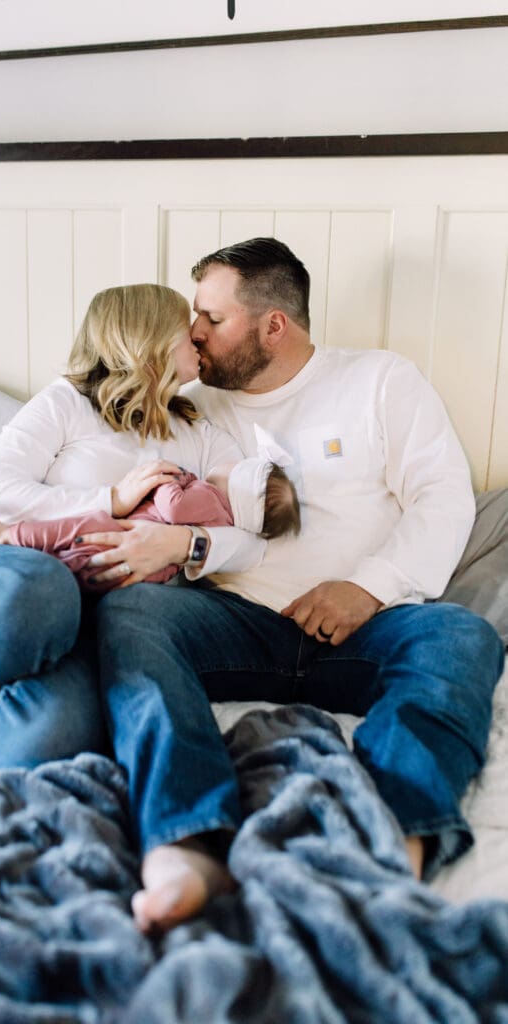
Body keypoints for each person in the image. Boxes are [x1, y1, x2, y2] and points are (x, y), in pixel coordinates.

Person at [83, 238, 505, 934]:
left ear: (273, 325)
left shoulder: (377, 381)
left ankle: (391, 843)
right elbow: (103, 455)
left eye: (210, 319)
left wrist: (365, 588)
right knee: (131, 616)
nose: (192, 333)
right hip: (234, 620)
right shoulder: (190, 404)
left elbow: (443, 498)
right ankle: (186, 839)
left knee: (461, 635)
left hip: (369, 627)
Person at [0, 283, 264, 795]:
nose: (196, 336)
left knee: (51, 735)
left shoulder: (199, 433)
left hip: (91, 621)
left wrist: (184, 545)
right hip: (4, 574)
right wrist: (111, 499)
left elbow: (251, 534)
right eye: (184, 328)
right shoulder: (68, 403)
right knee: (43, 586)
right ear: (148, 342)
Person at [0, 448, 300, 594]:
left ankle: (12, 535)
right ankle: (43, 565)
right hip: (146, 571)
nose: (231, 461)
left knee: (81, 527)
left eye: (239, 465)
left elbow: (172, 509)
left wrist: (166, 478)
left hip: (127, 537)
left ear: (237, 487)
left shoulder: (211, 499)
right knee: (80, 563)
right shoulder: (221, 519)